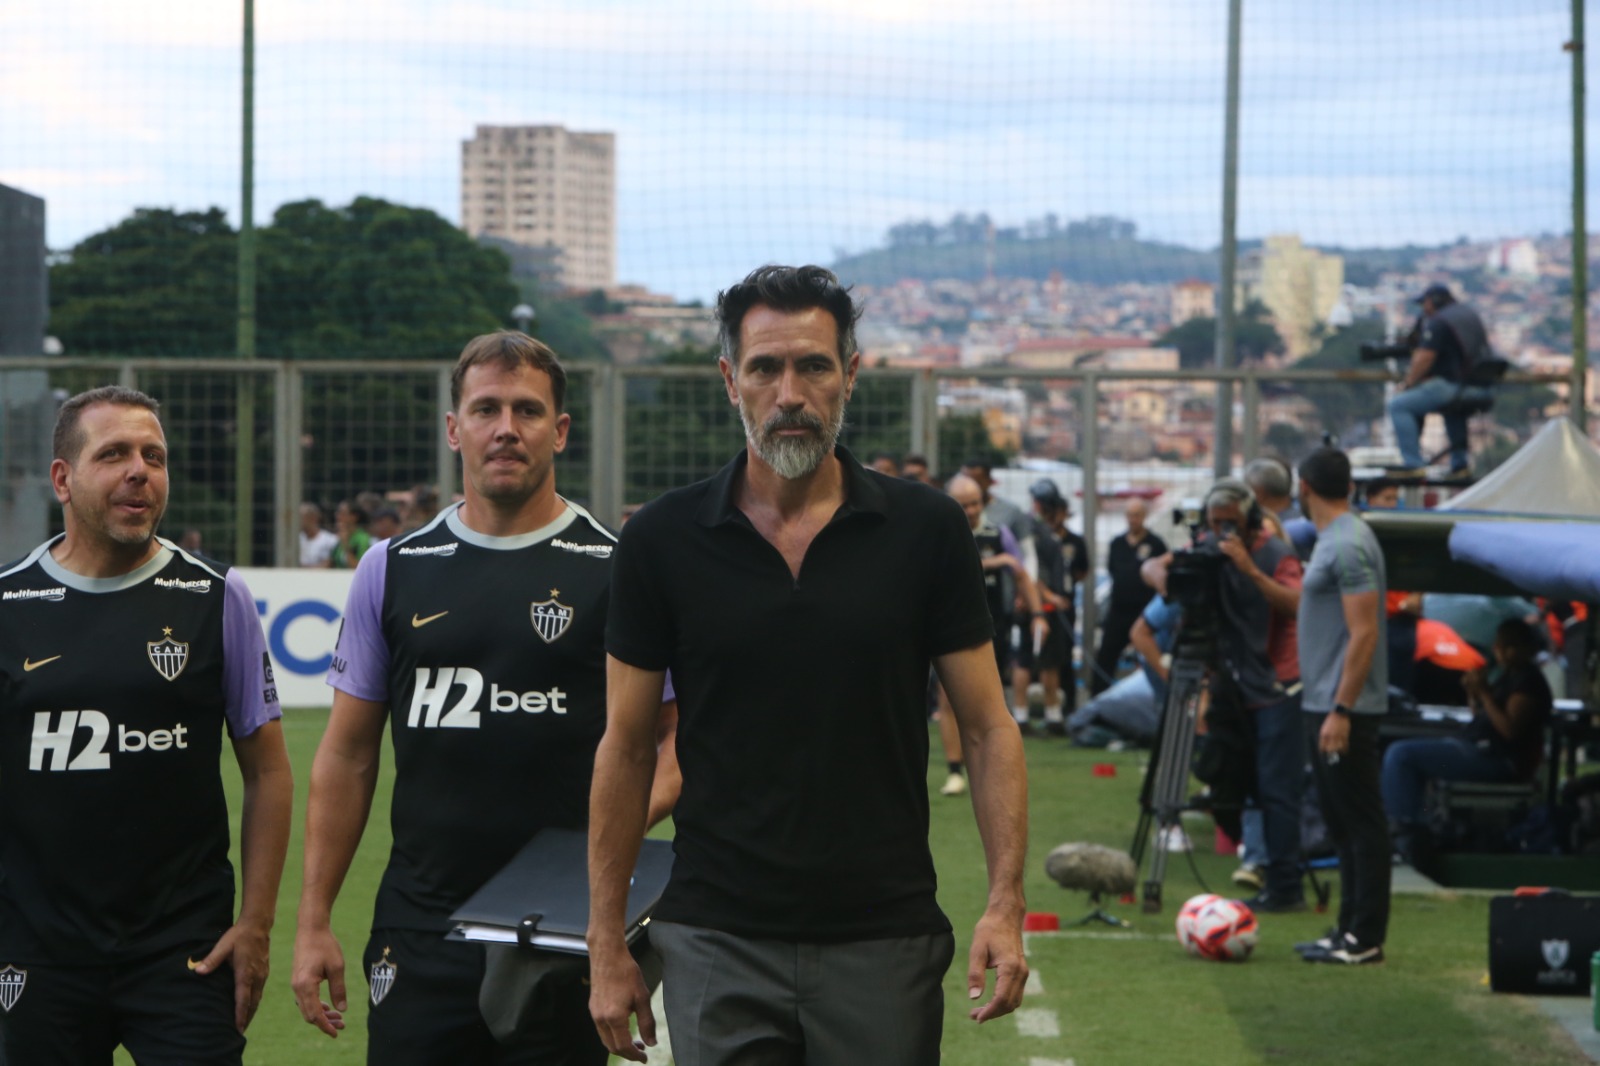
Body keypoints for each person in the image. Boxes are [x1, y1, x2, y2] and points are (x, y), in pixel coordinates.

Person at [587, 265, 1029, 1066]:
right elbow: (624, 746)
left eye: (814, 366)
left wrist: (1005, 905)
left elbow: (990, 729)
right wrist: (605, 938)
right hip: (716, 937)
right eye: (764, 368)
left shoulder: (926, 530)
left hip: (884, 937)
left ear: (850, 376)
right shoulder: (660, 538)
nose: (790, 392)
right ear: (731, 380)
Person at [291, 332, 677, 1065]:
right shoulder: (392, 568)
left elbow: (676, 740)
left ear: (560, 430)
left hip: (564, 929)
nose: (506, 428)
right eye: (486, 408)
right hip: (420, 928)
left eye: (528, 410)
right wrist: (313, 920)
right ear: (453, 428)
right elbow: (345, 757)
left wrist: (601, 840)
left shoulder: (620, 569)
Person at [0, 386, 292, 1063]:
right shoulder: (11, 605)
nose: (140, 470)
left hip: (183, 951)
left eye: (153, 455)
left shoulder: (215, 598)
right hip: (38, 951)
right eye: (114, 454)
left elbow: (269, 772)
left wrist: (255, 923)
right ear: (62, 480)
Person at [1143, 479, 1304, 912]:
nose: (1222, 533)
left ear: (1250, 520)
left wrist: (1249, 570)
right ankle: (1263, 869)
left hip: (1276, 685)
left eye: (1229, 525)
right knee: (1240, 781)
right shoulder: (1209, 547)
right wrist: (1164, 579)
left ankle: (1286, 884)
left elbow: (1296, 605)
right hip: (1234, 684)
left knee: (1276, 789)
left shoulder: (1276, 554)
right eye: (1215, 525)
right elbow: (1155, 568)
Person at [1293, 447, 1390, 966]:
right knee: (1341, 821)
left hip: (1343, 706)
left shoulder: (1350, 543)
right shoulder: (1336, 539)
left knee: (1360, 820)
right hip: (1323, 700)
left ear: (1304, 486)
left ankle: (1366, 936)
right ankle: (1348, 929)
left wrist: (1343, 709)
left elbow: (1366, 631)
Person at [1382, 618, 1551, 852]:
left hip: (1499, 760)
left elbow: (1509, 730)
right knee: (1407, 752)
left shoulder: (1528, 683)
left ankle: (1406, 831)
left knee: (1401, 755)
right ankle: (1416, 824)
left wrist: (1485, 694)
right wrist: (1475, 693)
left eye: (1506, 646)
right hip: (1478, 746)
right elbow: (1485, 717)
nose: (1499, 652)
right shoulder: (1508, 676)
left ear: (1524, 648)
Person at [944, 473, 1043, 790]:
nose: (971, 510)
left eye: (975, 503)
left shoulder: (999, 534)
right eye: (963, 505)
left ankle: (987, 769)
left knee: (988, 703)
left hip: (991, 627)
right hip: (946, 625)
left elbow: (1020, 571)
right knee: (947, 699)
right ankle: (954, 770)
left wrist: (1038, 613)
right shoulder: (941, 534)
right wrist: (994, 562)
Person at [1386, 282, 1495, 479]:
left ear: (1433, 301)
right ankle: (1460, 465)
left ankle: (1413, 464)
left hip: (1454, 386)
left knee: (1399, 405)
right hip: (1479, 388)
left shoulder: (1440, 321)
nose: (1423, 309)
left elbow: (1425, 357)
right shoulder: (1467, 315)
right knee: (1453, 409)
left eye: (1425, 304)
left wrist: (1408, 383)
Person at [1025, 478, 1089, 733]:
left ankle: (1066, 709)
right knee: (1038, 661)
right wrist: (1049, 596)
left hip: (1065, 606)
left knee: (1063, 658)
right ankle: (1044, 713)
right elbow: (1032, 572)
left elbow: (1083, 570)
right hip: (1042, 607)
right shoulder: (1036, 535)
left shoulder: (1072, 540)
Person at [1092, 499, 1167, 694]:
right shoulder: (1117, 543)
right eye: (1129, 515)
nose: (1132, 520)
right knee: (1105, 655)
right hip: (1118, 610)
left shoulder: (1156, 544)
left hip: (1144, 612)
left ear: (1144, 517)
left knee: (1147, 657)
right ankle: (1098, 698)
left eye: (1136, 515)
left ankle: (1151, 697)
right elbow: (1112, 571)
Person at [329, 498, 371, 569]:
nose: (337, 516)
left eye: (342, 513)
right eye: (337, 513)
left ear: (354, 517)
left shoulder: (363, 539)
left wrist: (346, 545)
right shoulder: (339, 536)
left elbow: (359, 567)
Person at [299, 502, 340, 567]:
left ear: (313, 518)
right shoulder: (296, 540)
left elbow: (327, 566)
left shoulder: (330, 540)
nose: (298, 520)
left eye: (301, 517)